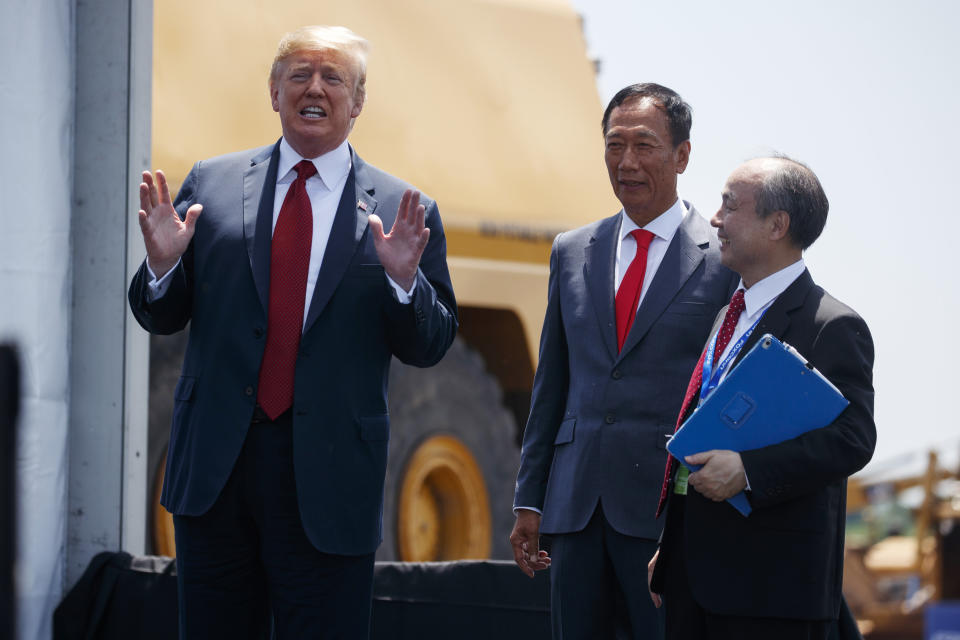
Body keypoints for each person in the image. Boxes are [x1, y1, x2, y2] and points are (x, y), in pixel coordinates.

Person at [128, 26, 457, 639]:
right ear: (274, 92)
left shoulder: (403, 208)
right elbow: (160, 315)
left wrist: (405, 284)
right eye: (300, 75)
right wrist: (164, 266)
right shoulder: (213, 186)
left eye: (334, 78)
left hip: (331, 483)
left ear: (357, 103)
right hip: (216, 476)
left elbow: (430, 344)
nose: (315, 88)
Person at [510, 83, 737, 639]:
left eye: (645, 145)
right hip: (575, 506)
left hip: (665, 514)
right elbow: (552, 384)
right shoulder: (570, 250)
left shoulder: (725, 261)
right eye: (615, 145)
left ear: (682, 155)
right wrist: (529, 500)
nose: (627, 161)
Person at [648, 156, 876, 640]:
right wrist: (673, 550)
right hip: (693, 578)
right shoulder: (730, 314)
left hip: (771, 592)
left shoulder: (831, 325)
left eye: (730, 206)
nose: (714, 219)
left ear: (777, 225)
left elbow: (854, 438)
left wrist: (750, 471)